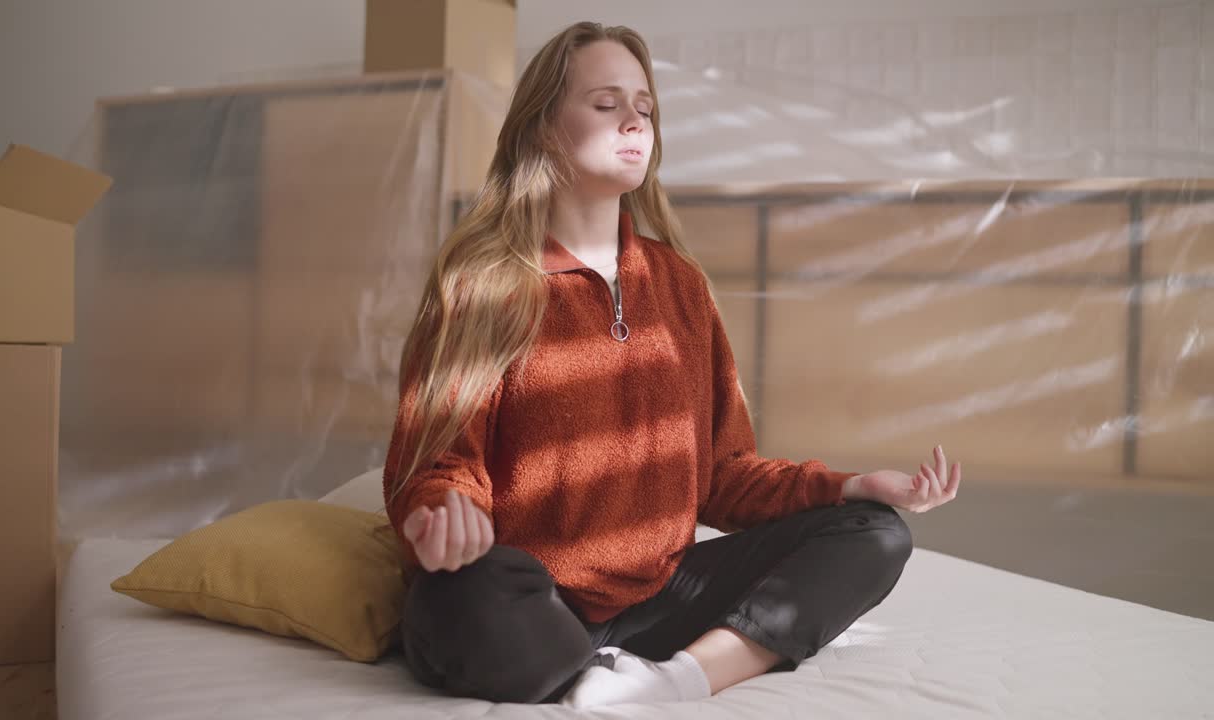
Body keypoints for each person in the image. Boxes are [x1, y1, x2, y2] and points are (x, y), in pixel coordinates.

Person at [381, 20, 962, 708]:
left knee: (877, 535)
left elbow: (724, 477)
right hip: (532, 598)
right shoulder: (484, 285)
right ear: (542, 129)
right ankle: (577, 664)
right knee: (460, 596)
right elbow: (439, 463)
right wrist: (443, 514)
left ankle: (678, 678)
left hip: (661, 600)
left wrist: (855, 485)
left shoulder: (680, 285)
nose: (633, 119)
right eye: (605, 104)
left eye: (645, 107)